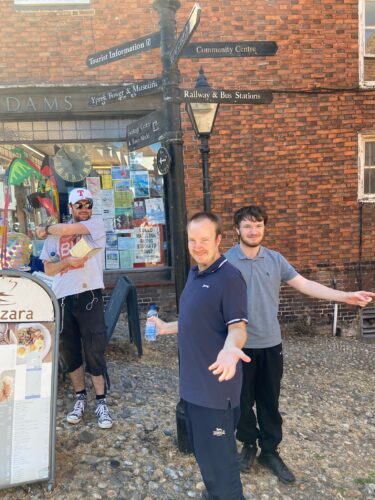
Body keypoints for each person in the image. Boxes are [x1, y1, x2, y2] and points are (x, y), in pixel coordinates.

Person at [225, 205, 375, 484]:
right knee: (241, 402)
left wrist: (345, 296)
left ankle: (270, 451)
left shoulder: (275, 260)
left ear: (264, 229)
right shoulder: (225, 262)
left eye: (258, 225)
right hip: (237, 345)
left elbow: (305, 284)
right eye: (247, 226)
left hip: (270, 343)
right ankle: (248, 443)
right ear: (237, 230)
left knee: (269, 401)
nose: (253, 230)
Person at [151, 212, 250, 500]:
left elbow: (238, 328)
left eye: (204, 240)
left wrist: (232, 349)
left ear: (219, 239)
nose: (197, 246)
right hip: (194, 390)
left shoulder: (230, 278)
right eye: (192, 240)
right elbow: (199, 321)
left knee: (223, 471)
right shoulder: (196, 273)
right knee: (207, 461)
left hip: (215, 393)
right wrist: (166, 327)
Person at [36, 187, 112, 429]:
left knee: (94, 348)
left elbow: (68, 229)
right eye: (79, 205)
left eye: (88, 204)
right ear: (70, 207)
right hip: (62, 297)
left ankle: (101, 400)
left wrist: (45, 229)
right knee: (69, 350)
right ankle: (80, 397)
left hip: (89, 294)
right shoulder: (54, 236)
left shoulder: (96, 225)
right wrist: (68, 261)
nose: (84, 209)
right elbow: (48, 269)